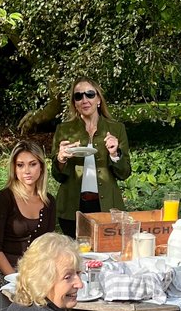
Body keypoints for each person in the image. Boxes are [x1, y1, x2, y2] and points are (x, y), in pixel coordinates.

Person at [51, 77, 131, 237]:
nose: (84, 100)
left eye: (90, 94)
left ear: (99, 100)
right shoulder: (64, 130)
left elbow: (124, 173)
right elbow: (57, 176)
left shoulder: (116, 129)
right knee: (75, 257)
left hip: (106, 206)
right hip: (72, 207)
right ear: (74, 103)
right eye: (78, 96)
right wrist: (60, 159)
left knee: (108, 254)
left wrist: (115, 154)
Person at [0, 140, 56, 298]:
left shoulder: (49, 201)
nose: (27, 171)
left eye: (32, 164)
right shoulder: (4, 199)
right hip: (4, 271)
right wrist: (16, 279)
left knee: (64, 288)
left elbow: (48, 244)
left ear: (41, 167)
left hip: (34, 270)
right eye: (20, 165)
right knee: (32, 298)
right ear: (14, 169)